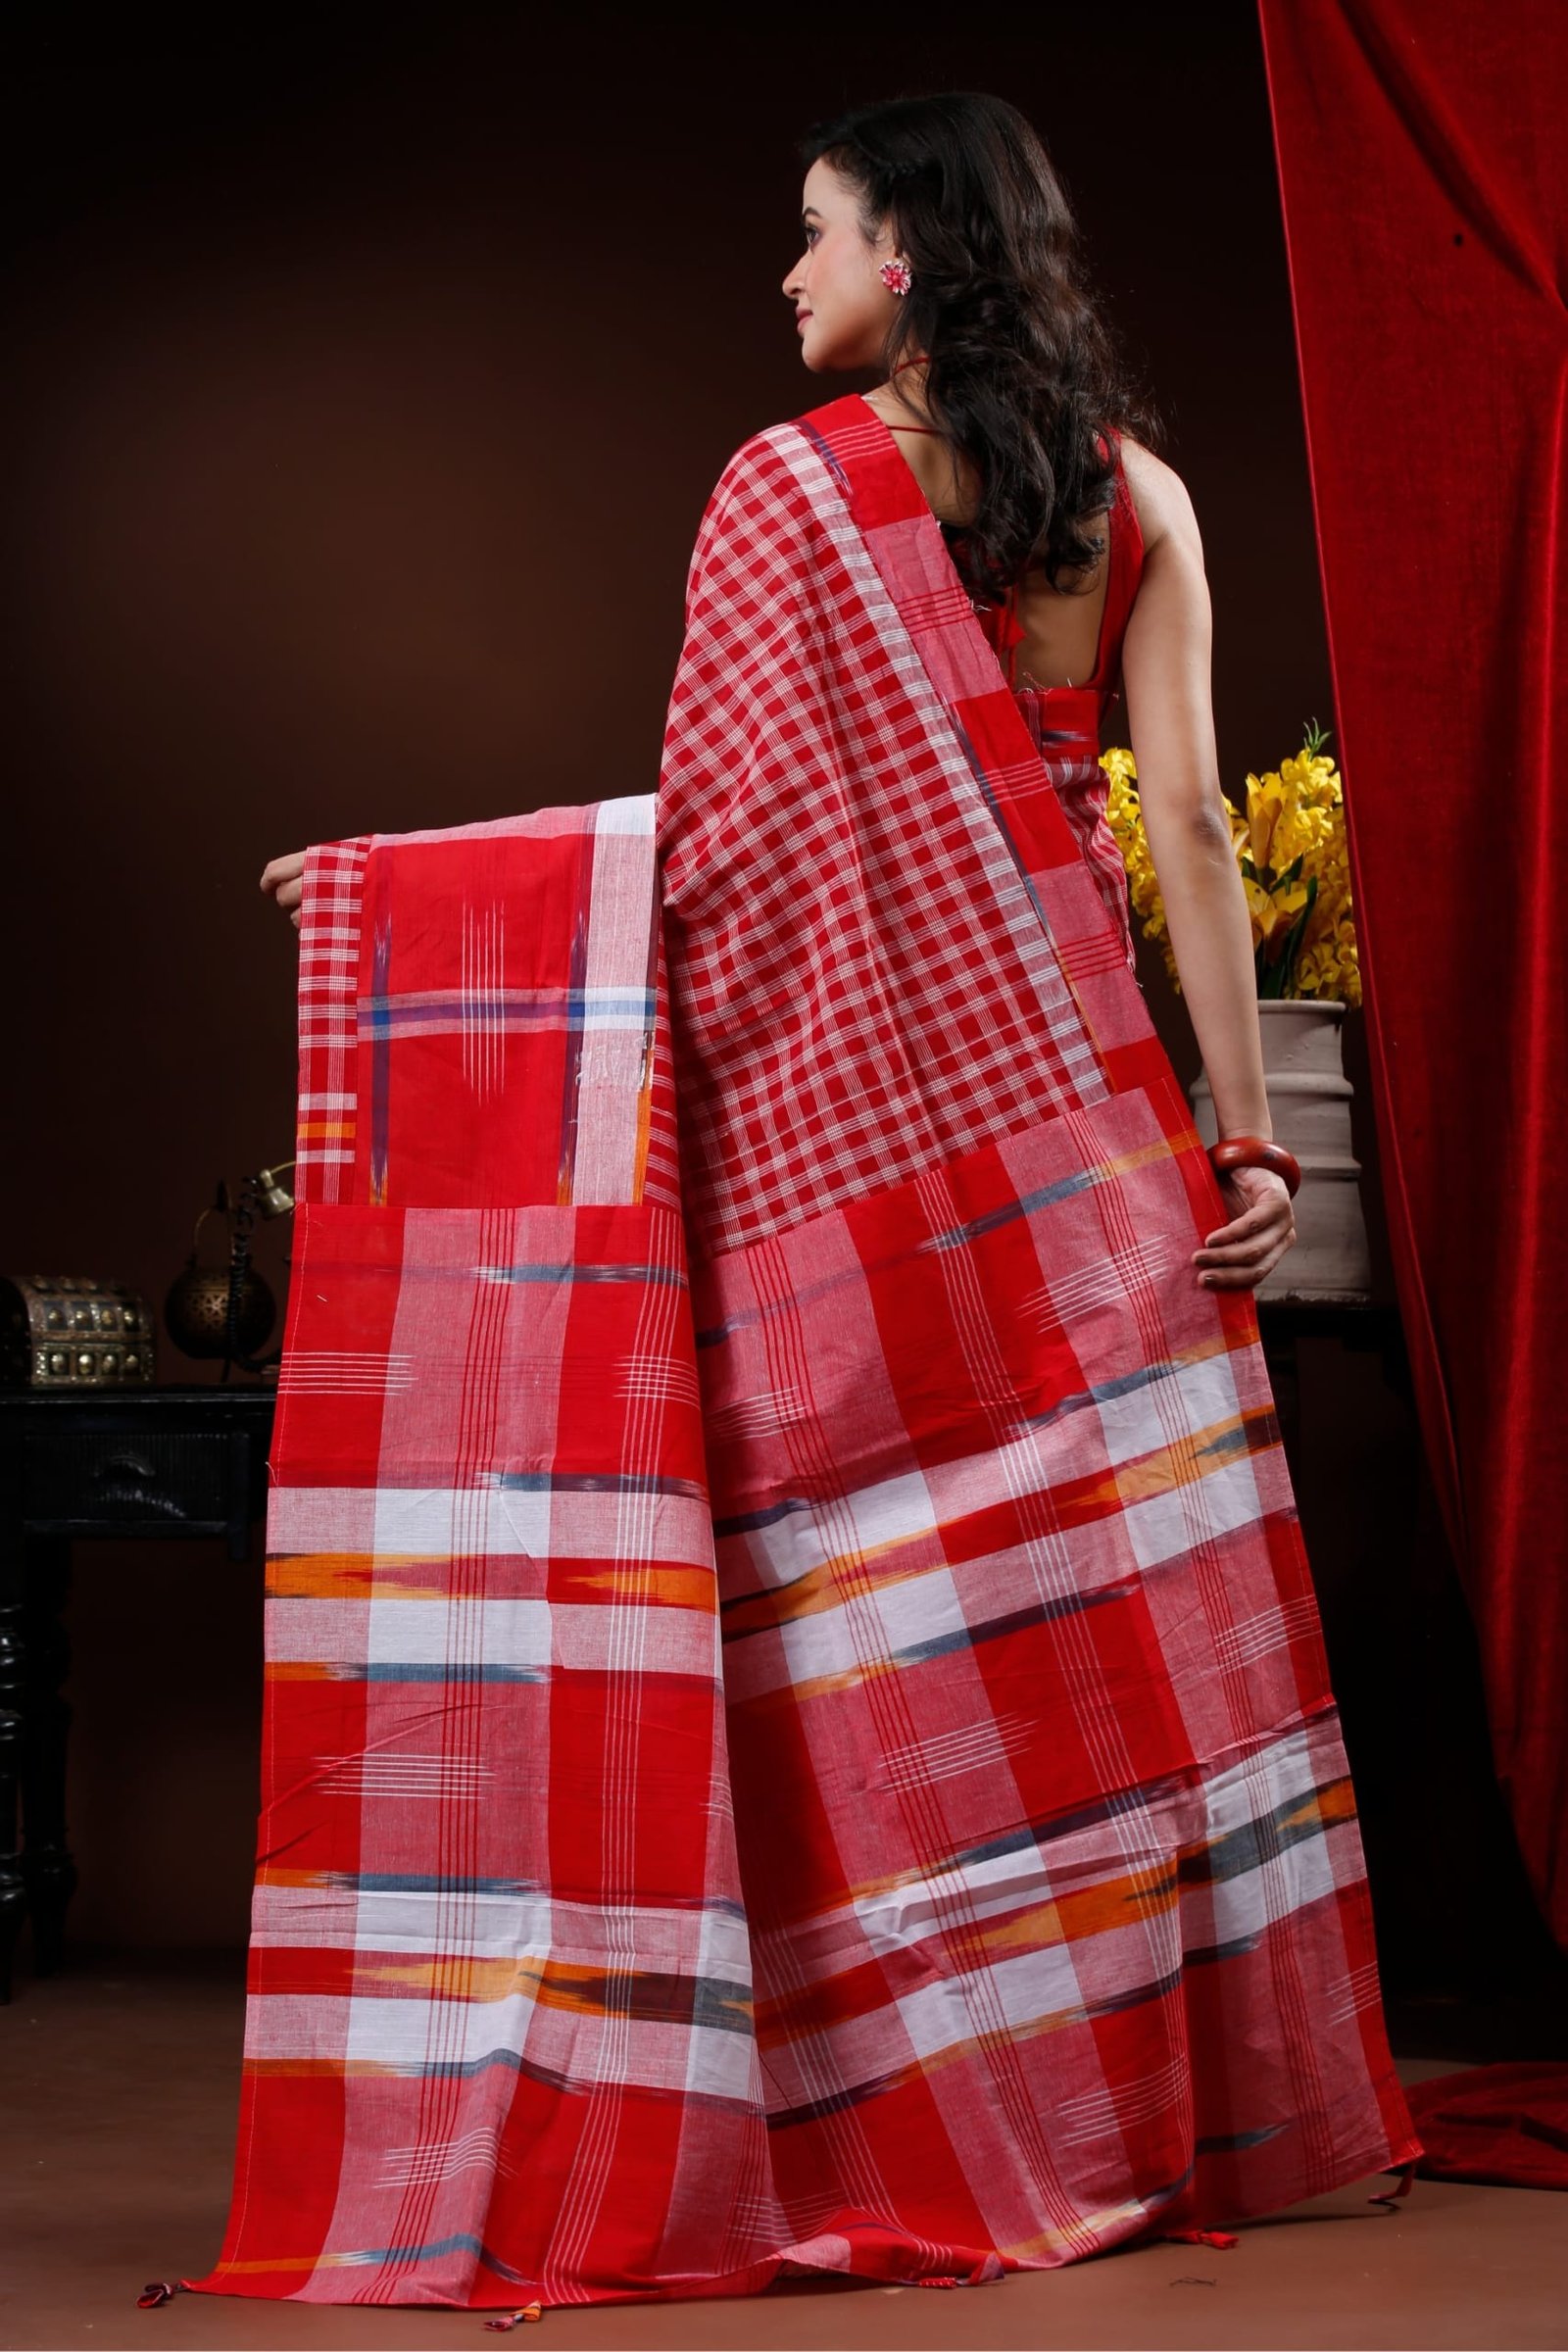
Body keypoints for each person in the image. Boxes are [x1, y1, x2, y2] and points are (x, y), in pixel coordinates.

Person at [208, 91, 1415, 2315]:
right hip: (1085, 1125)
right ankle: (1142, 2123)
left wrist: (410, 901)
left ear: (906, 253)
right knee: (1106, 1636)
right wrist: (1238, 1144)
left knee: (868, 1631)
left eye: (814, 232)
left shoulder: (791, 488)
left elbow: (724, 855)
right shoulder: (1138, 497)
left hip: (840, 1169)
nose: (787, 273)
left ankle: (924, 2117)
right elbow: (1182, 830)